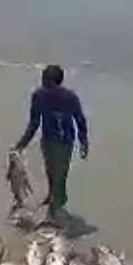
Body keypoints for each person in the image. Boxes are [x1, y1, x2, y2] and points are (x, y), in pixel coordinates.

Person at [14, 65, 89, 223]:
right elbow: (34, 123)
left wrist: (84, 142)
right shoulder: (38, 96)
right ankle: (52, 197)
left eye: (47, 81)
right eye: (43, 81)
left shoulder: (70, 97)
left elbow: (80, 120)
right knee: (51, 171)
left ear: (57, 82)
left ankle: (57, 206)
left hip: (65, 140)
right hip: (48, 139)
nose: (44, 84)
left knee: (60, 174)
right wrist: (21, 145)